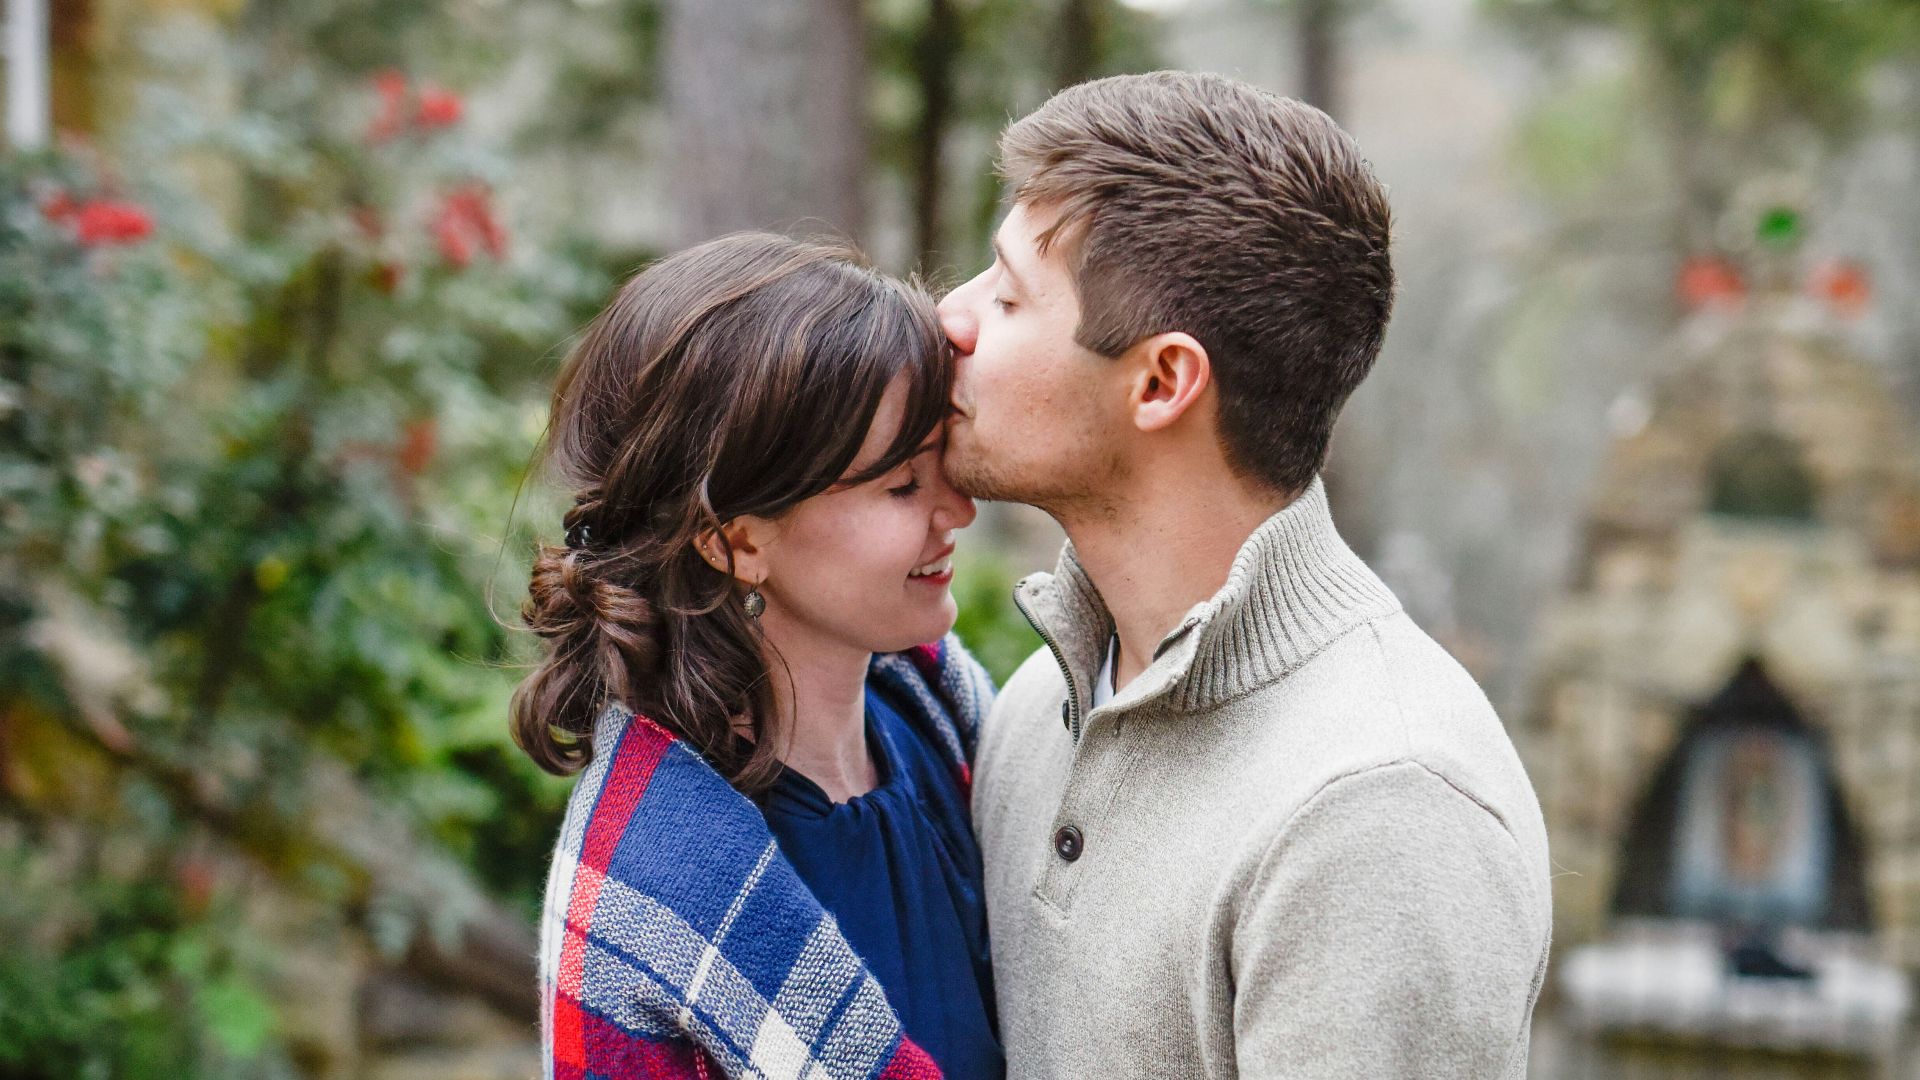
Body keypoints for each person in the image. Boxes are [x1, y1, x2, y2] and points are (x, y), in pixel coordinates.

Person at [936, 71, 1553, 1078]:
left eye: (1007, 296)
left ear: (1163, 382)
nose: (951, 317)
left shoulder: (1381, 815)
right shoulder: (1040, 701)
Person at [514, 232, 1001, 1079]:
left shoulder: (952, 721)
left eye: (943, 462)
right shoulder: (651, 880)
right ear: (735, 540)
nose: (956, 507)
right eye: (902, 485)